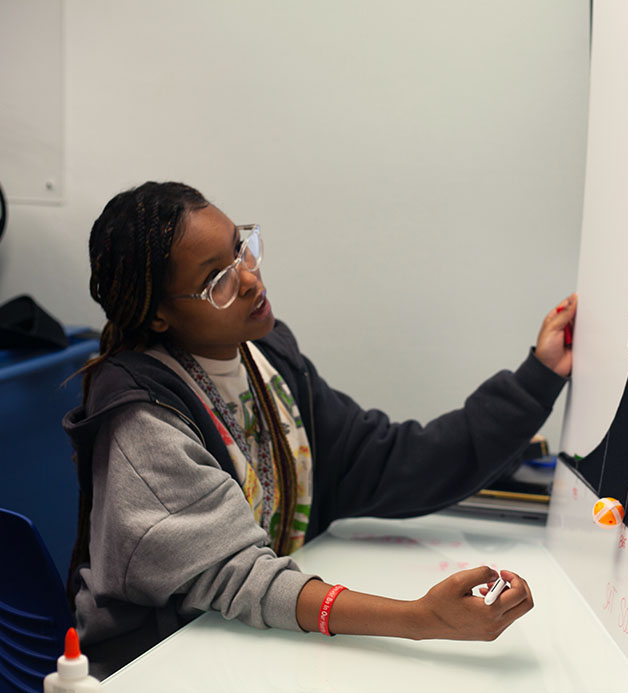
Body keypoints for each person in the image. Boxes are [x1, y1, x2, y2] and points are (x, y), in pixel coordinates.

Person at [63, 181, 577, 678]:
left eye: (240, 250)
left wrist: (539, 377)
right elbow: (242, 577)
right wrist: (421, 620)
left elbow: (387, 461)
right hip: (161, 664)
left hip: (252, 644)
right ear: (158, 316)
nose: (249, 279)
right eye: (216, 278)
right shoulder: (143, 418)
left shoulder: (266, 357)